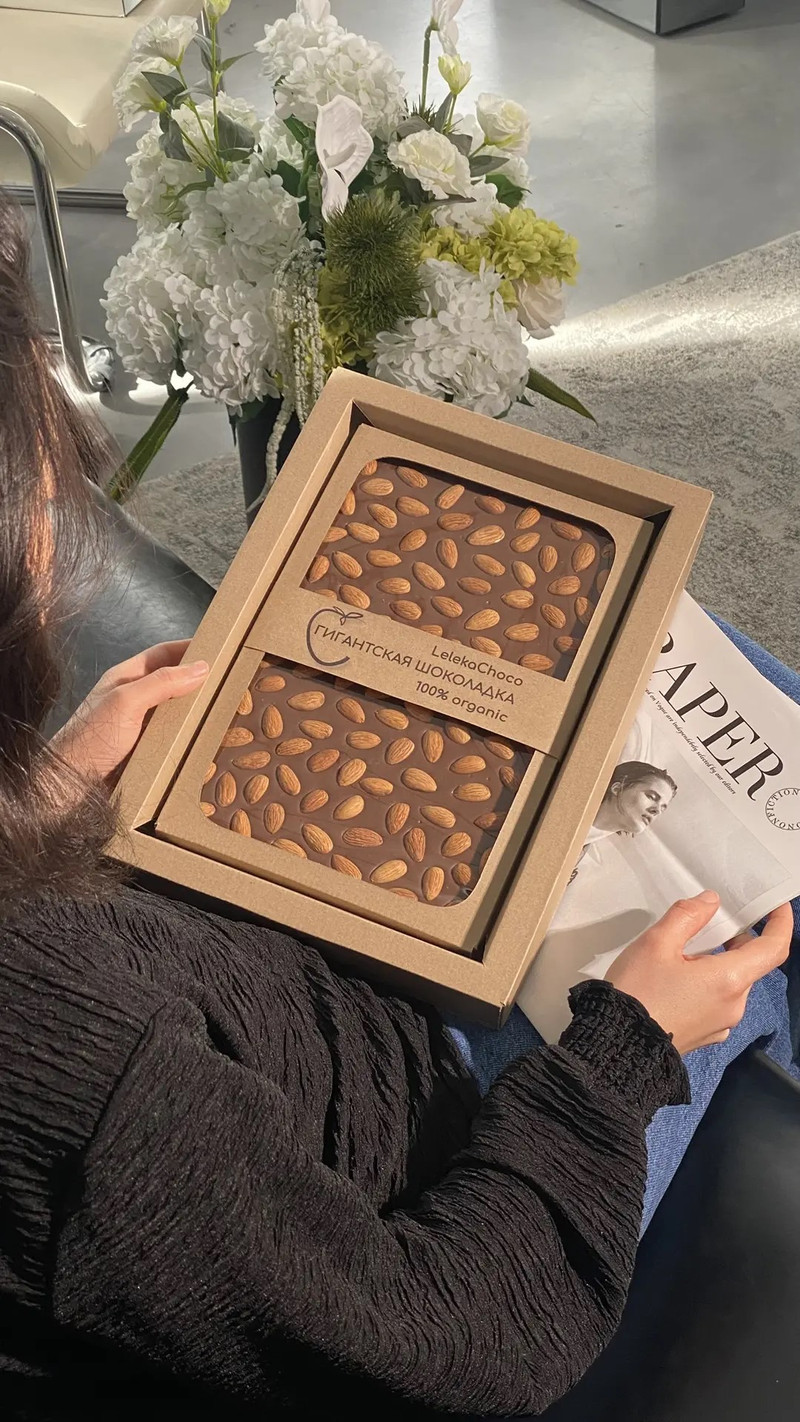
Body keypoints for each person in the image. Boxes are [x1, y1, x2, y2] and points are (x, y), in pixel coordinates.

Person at [0, 191, 796, 1420]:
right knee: (768, 909)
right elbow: (448, 1346)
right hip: (456, 1152)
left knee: (677, 660)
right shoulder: (87, 1094)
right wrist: (625, 1048)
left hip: (278, 976)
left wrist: (41, 808)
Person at [567, 760, 678, 884]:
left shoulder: (578, 859)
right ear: (617, 788)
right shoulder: (565, 808)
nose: (656, 810)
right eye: (651, 797)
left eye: (662, 808)